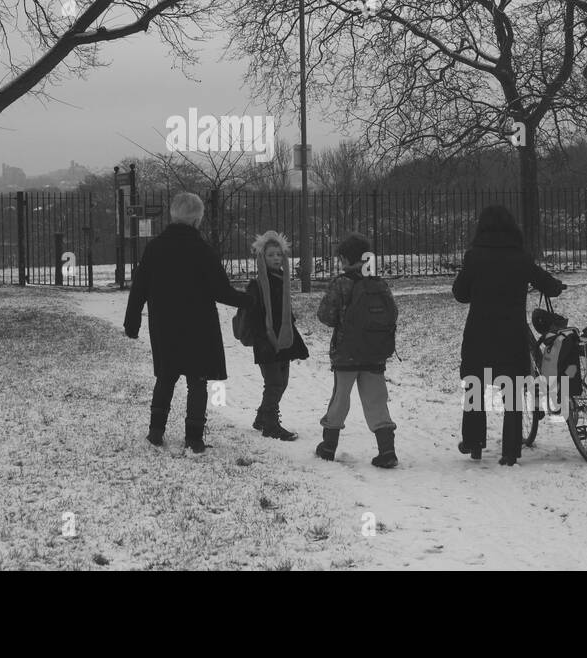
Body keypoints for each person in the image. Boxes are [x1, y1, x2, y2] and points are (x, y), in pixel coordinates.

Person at [124, 192, 252, 453]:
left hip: (164, 324)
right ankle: (194, 436)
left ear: (173, 215)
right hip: (199, 326)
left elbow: (139, 288)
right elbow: (221, 291)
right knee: (197, 381)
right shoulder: (202, 250)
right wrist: (250, 301)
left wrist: (132, 321)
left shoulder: (155, 248)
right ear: (197, 220)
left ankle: (156, 431)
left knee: (166, 378)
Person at [452, 205, 564, 466]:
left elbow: (460, 293)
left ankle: (473, 442)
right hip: (511, 333)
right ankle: (511, 451)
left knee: (474, 385)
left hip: (479, 332)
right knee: (512, 391)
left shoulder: (474, 257)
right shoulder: (521, 258)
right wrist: (556, 286)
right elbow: (548, 284)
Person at [314, 233, 400, 468]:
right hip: (374, 353)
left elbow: (325, 316)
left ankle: (329, 446)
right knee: (377, 400)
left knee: (340, 398)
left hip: (346, 353)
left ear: (344, 258)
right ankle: (387, 450)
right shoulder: (379, 283)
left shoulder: (342, 283)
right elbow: (392, 313)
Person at [239, 231, 310, 441]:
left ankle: (262, 417)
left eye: (279, 254)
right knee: (274, 382)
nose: (276, 258)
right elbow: (254, 315)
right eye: (271, 255)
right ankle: (271, 424)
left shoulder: (282, 279)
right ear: (262, 257)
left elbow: (284, 309)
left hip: (284, 337)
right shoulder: (257, 285)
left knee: (282, 381)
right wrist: (265, 338)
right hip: (266, 339)